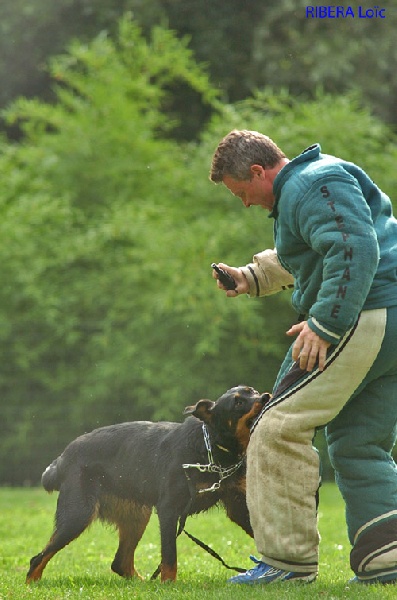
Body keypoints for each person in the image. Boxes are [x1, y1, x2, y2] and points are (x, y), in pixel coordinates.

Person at [209, 129, 397, 585]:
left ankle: (286, 564)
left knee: (275, 426)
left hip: (367, 314)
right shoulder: (314, 182)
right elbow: (311, 252)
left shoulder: (312, 183)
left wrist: (324, 323)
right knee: (357, 442)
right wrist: (250, 277)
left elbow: (353, 249)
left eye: (242, 193)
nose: (246, 204)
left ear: (258, 170)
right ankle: (386, 559)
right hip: (386, 317)